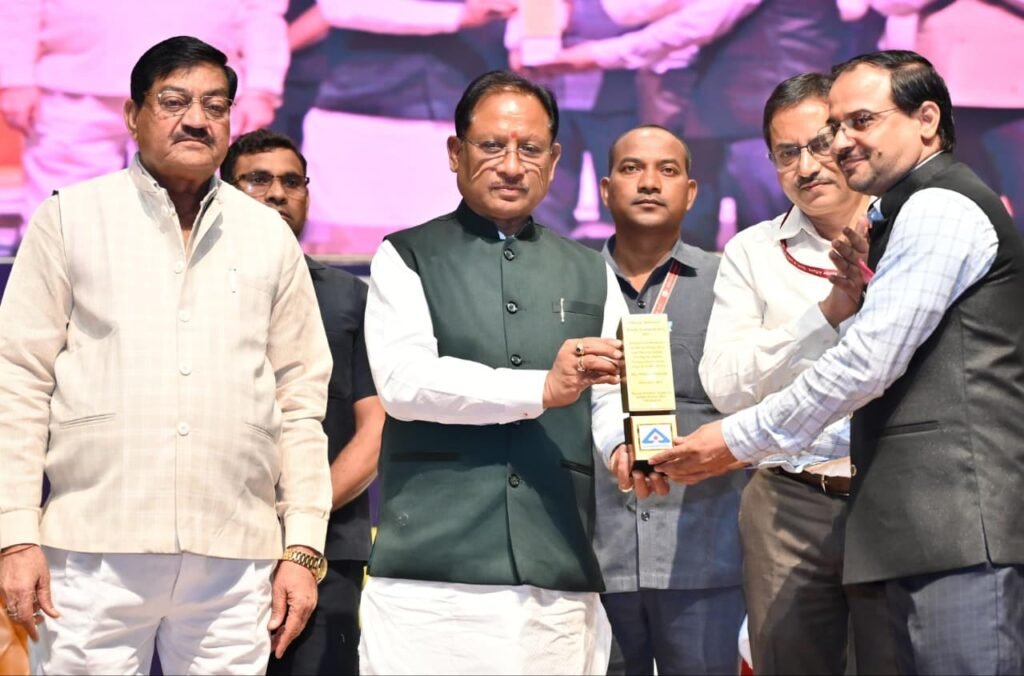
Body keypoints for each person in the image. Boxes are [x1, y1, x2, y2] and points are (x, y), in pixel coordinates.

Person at [654, 50, 1024, 675]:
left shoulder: (936, 209)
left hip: (953, 519)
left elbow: (865, 365)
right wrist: (826, 313)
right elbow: (731, 379)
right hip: (876, 512)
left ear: (926, 119)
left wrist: (735, 441)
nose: (841, 145)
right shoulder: (880, 218)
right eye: (836, 128)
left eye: (859, 122)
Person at [0, 37, 332, 675]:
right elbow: (18, 382)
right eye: (174, 102)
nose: (197, 120)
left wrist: (302, 547)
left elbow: (300, 399)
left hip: (236, 555)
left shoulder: (267, 236)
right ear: (133, 115)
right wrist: (15, 534)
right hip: (92, 548)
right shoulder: (71, 218)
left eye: (215, 105)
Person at [361, 70, 666, 675]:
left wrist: (623, 449)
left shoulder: (589, 269)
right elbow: (404, 382)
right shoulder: (407, 254)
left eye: (530, 149)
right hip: (433, 566)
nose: (511, 165)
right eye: (491, 146)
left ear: (554, 161)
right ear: (456, 152)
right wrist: (541, 389)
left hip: (555, 558)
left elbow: (608, 395)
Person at [698, 72, 896, 675]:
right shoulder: (753, 251)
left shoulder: (911, 231)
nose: (806, 167)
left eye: (820, 144)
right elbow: (724, 384)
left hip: (897, 491)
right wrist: (825, 315)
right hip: (789, 496)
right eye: (787, 153)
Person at [222, 128, 385, 676]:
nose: (277, 193)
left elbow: (376, 430)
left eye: (292, 182)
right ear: (223, 190)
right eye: (257, 179)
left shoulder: (349, 298)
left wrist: (302, 520)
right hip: (212, 547)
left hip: (326, 550)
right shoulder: (188, 293)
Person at [595, 124, 746, 675]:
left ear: (691, 191)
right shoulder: (568, 285)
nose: (649, 182)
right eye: (632, 168)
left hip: (706, 557)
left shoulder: (731, 283)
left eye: (668, 170)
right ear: (606, 189)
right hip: (595, 559)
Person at [0, 2, 290, 252]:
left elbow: (261, 10)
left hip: (201, 87)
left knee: (200, 214)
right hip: (75, 84)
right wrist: (15, 76)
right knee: (61, 219)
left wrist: (262, 87)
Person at [298, 0, 515, 253]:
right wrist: (458, 16)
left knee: (449, 253)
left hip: (453, 113)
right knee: (345, 254)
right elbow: (338, 6)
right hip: (357, 112)